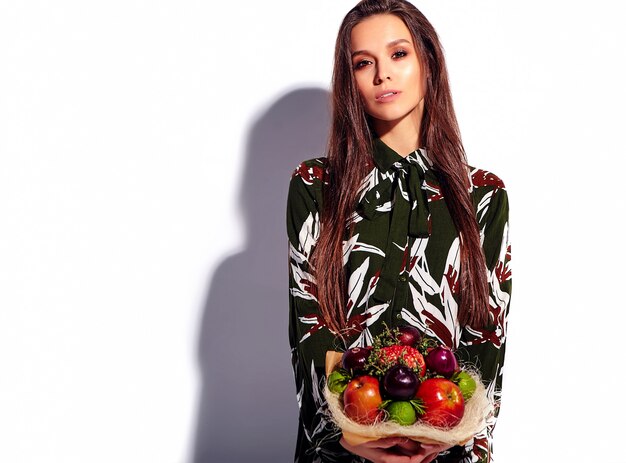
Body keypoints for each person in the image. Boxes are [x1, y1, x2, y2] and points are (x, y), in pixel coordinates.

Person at [286, 1, 511, 462]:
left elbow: (486, 339)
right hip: (342, 450)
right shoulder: (315, 186)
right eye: (363, 63)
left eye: (398, 54)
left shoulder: (483, 195)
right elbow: (310, 328)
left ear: (428, 61)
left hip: (447, 449)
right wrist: (350, 438)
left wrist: (452, 440)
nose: (381, 75)